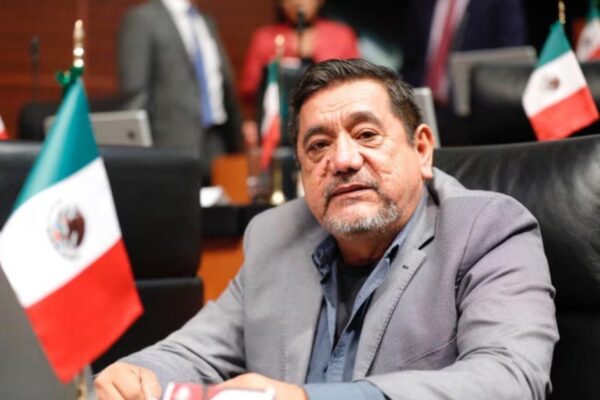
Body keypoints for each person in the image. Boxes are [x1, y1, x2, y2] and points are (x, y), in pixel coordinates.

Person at [95, 59, 558, 400]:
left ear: (421, 150)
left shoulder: (487, 230)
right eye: (318, 145)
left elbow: (511, 379)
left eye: (367, 135)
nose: (343, 160)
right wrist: (135, 374)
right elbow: (192, 354)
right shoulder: (275, 236)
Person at [118, 0, 242, 183]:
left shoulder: (205, 21)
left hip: (217, 144)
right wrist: (138, 160)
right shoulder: (142, 19)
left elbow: (221, 81)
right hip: (169, 148)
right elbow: (135, 94)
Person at [239, 0, 360, 147]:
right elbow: (249, 89)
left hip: (331, 124)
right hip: (278, 130)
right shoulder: (265, 38)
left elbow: (356, 86)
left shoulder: (341, 35)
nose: (298, 3)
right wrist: (250, 123)